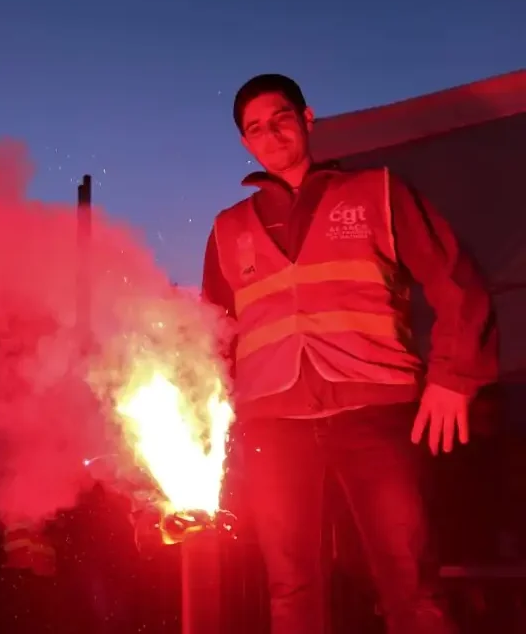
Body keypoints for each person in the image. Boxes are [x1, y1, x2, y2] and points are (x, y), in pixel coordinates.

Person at [202, 73, 498, 634]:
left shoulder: (377, 192)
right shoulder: (227, 228)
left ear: (308, 119)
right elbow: (212, 335)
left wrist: (454, 379)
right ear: (245, 142)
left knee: (408, 579)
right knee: (291, 590)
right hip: (275, 425)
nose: (272, 132)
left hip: (375, 413)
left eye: (282, 117)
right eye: (255, 127)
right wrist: (209, 428)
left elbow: (456, 280)